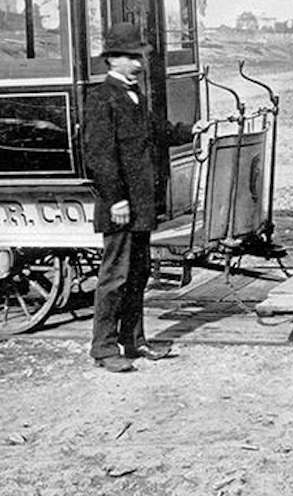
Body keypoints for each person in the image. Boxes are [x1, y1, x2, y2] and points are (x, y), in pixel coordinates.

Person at [84, 22, 203, 372]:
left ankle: (133, 341)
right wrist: (116, 199)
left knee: (138, 273)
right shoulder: (101, 98)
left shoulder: (135, 96)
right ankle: (103, 349)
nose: (139, 64)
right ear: (113, 60)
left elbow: (156, 130)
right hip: (120, 205)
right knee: (115, 276)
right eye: (132, 57)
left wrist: (190, 130)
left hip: (139, 205)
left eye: (140, 57)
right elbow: (100, 156)